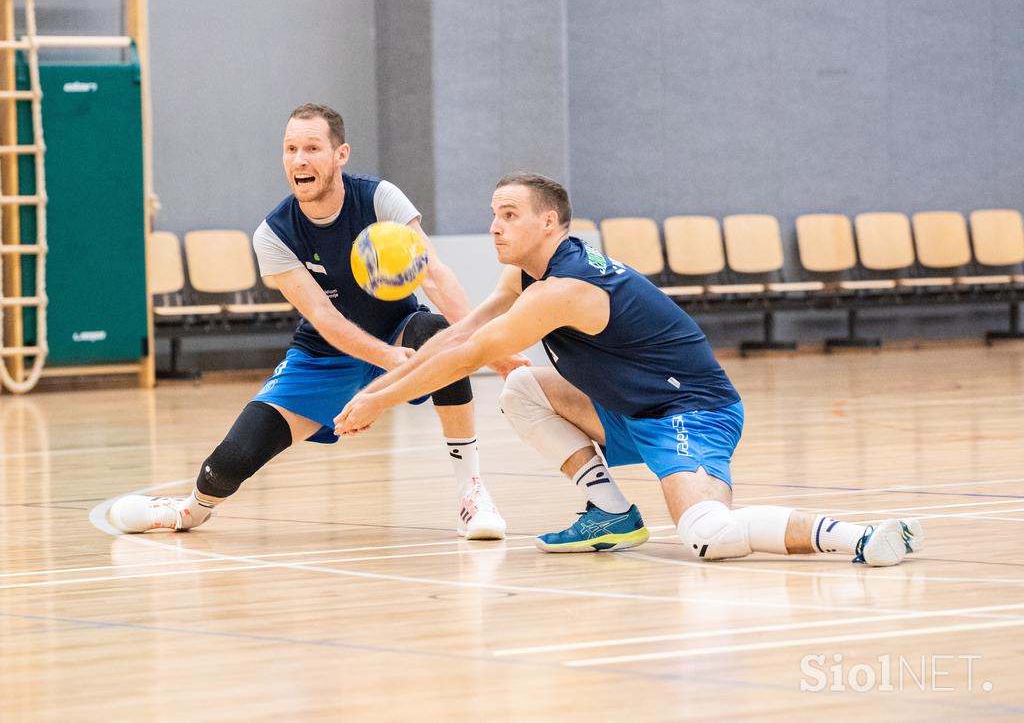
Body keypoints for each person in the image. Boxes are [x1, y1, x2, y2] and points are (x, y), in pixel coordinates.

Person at [334, 172, 924, 566]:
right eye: (493, 213)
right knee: (522, 389)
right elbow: (462, 331)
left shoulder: (561, 289)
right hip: (623, 407)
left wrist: (376, 402)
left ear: (549, 223)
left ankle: (861, 537)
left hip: (689, 412)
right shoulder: (528, 275)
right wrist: (378, 388)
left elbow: (467, 355)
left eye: (509, 215)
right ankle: (612, 514)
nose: (494, 226)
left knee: (707, 534)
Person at [108, 103, 527, 538]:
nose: (299, 159)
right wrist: (384, 364)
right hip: (323, 356)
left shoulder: (380, 199)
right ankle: (191, 509)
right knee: (231, 459)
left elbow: (436, 276)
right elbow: (325, 317)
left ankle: (472, 492)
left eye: (312, 148)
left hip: (400, 329)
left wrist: (487, 349)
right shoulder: (273, 234)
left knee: (438, 333)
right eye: (290, 149)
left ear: (340, 155)